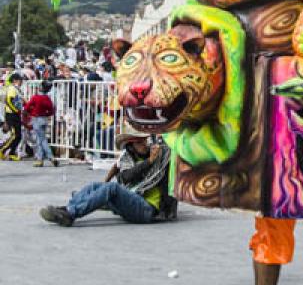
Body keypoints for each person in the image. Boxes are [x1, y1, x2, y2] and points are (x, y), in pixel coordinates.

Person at [39, 124, 177, 226]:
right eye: (139, 142)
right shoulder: (127, 158)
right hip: (133, 198)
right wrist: (148, 162)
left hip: (148, 209)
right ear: (131, 145)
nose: (144, 145)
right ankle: (67, 209)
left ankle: (71, 214)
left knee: (111, 188)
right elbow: (125, 177)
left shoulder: (160, 155)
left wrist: (151, 160)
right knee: (94, 186)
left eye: (145, 141)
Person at [23, 81, 58, 168]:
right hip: (44, 119)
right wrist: (46, 114)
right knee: (39, 139)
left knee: (42, 140)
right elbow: (51, 110)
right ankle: (40, 160)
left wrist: (30, 112)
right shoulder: (47, 98)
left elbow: (27, 107)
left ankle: (51, 157)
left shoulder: (36, 97)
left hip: (36, 119)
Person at [0, 73, 24, 161]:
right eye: (20, 80)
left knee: (18, 136)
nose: (22, 81)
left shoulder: (16, 89)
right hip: (11, 114)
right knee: (15, 135)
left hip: (15, 114)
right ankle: (3, 150)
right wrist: (15, 110)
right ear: (15, 80)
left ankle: (11, 153)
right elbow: (9, 100)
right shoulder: (12, 89)